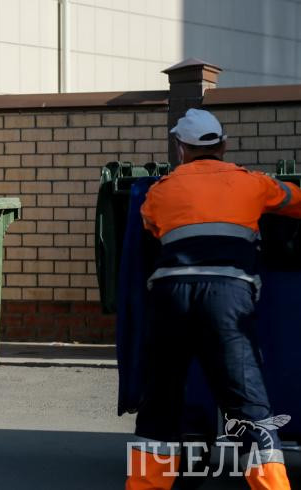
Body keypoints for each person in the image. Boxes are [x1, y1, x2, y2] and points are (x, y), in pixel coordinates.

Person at [126, 109, 296, 490]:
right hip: (227, 297)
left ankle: (145, 486)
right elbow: (295, 201)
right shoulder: (253, 184)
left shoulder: (160, 190)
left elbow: (150, 228)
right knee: (250, 406)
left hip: (170, 298)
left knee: (160, 402)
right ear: (224, 145)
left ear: (181, 148)